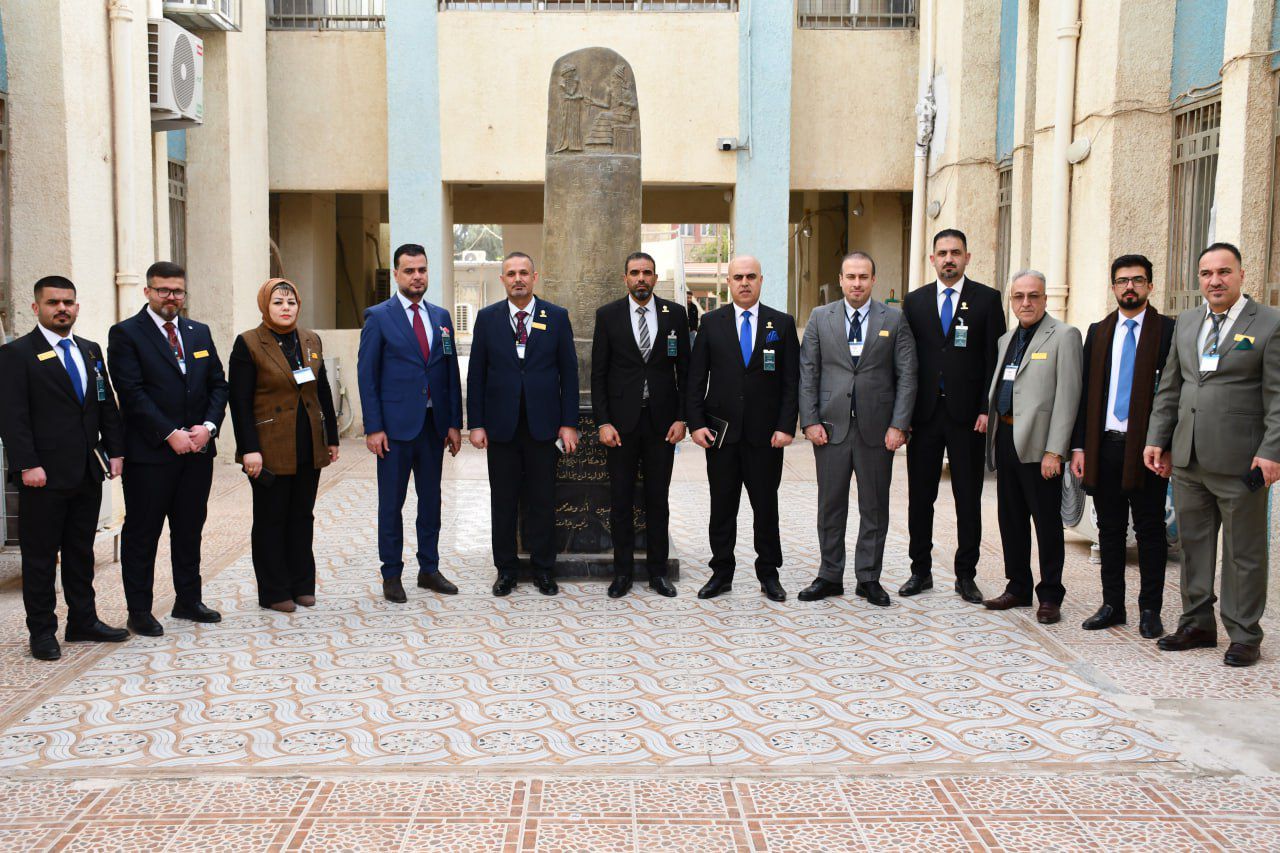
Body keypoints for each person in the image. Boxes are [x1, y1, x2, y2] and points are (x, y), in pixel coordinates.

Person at [1144, 242, 1280, 667]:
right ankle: (1197, 623)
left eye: (1224, 272)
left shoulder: (1270, 323)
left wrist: (1272, 451)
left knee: (1243, 552)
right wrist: (1158, 438)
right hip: (1189, 457)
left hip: (1242, 461)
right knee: (1194, 546)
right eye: (1206, 273)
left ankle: (1244, 633)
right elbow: (1171, 386)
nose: (1215, 281)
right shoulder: (1187, 322)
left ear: (1241, 275)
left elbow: (1278, 395)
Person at [0, 277, 127, 660]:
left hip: (87, 471)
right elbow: (12, 415)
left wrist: (115, 450)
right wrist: (27, 463)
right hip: (42, 476)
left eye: (68, 302)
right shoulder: (16, 354)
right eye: (53, 302)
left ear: (76, 307)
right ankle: (42, 632)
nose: (62, 309)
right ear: (36, 307)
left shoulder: (89, 350)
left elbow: (104, 402)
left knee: (80, 552)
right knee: (40, 558)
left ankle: (82, 621)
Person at [107, 261, 228, 636]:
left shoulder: (198, 332)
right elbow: (131, 392)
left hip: (197, 453)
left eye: (177, 291)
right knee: (143, 535)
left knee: (189, 530)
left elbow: (218, 385)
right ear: (147, 292)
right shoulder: (126, 334)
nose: (171, 297)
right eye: (163, 290)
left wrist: (208, 428)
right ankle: (139, 611)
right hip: (150, 456)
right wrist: (168, 433)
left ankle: (188, 600)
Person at [798, 252, 917, 605]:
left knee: (874, 507)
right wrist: (810, 421)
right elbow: (808, 372)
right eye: (850, 276)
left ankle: (868, 578)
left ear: (873, 280)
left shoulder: (894, 319)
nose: (857, 283)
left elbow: (907, 375)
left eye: (863, 276)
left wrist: (899, 425)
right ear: (840, 279)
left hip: (877, 431)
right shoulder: (820, 317)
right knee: (830, 506)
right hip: (830, 428)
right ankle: (829, 575)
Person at [1069, 254, 1173, 639]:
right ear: (1113, 286)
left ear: (1150, 285)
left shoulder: (1168, 331)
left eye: (1138, 280)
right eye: (1123, 280)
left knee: (1150, 531)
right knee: (1109, 530)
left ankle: (1150, 609)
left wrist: (1167, 445)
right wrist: (1079, 447)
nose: (1130, 287)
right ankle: (1112, 604)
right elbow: (1085, 395)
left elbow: (1175, 395)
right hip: (1105, 446)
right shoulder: (1099, 332)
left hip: (1148, 450)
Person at [467, 252, 580, 597]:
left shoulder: (556, 316)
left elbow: (569, 374)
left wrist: (568, 423)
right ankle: (506, 571)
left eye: (524, 273)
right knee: (503, 502)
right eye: (511, 273)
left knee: (542, 501)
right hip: (501, 428)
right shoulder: (487, 318)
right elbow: (476, 375)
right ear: (502, 279)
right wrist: (476, 423)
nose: (518, 279)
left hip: (543, 427)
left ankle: (544, 570)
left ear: (534, 277)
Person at [687, 255, 798, 602]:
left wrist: (786, 426)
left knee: (766, 508)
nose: (745, 282)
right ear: (729, 282)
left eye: (751, 276)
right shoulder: (711, 322)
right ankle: (721, 572)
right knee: (722, 506)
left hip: (766, 437)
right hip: (721, 436)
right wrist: (696, 424)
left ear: (761, 280)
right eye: (738, 277)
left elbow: (791, 382)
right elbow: (695, 378)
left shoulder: (781, 324)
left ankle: (769, 573)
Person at [902, 229, 1004, 603]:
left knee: (967, 498)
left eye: (955, 253)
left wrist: (986, 409)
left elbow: (995, 360)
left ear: (967, 257)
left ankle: (965, 575)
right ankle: (920, 571)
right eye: (942, 253)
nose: (949, 259)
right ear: (932, 259)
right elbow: (905, 361)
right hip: (924, 416)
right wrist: (903, 414)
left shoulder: (987, 300)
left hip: (968, 417)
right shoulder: (915, 302)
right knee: (920, 497)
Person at [357, 244, 463, 603]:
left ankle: (429, 569)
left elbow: (449, 371)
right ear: (396, 274)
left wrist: (453, 423)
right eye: (409, 271)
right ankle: (391, 574)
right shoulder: (378, 317)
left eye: (422, 270)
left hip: (433, 427)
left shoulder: (441, 316)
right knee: (392, 504)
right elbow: (367, 376)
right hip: (394, 430)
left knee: (431, 501)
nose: (417, 276)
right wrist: (374, 427)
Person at [229, 279, 340, 612]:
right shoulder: (249, 343)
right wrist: (248, 448)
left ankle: (302, 584)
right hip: (269, 446)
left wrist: (331, 437)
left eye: (291, 302)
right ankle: (274, 591)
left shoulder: (310, 339)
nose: (286, 308)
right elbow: (239, 400)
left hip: (308, 442)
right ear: (265, 306)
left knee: (302, 517)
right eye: (278, 302)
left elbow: (322, 390)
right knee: (271, 519)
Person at [983, 270, 1082, 625]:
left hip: (1041, 447)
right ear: (1012, 300)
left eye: (1033, 296)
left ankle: (1050, 594)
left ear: (1044, 298)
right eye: (1019, 296)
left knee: (1046, 523)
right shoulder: (1006, 339)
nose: (1026, 302)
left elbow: (1069, 397)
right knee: (1010, 519)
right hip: (1006, 437)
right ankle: (1018, 586)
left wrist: (1055, 451)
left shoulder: (1065, 336)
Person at [590, 252, 689, 598]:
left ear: (655, 278)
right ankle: (623, 574)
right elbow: (598, 374)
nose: (641, 278)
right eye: (635, 272)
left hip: (662, 424)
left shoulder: (675, 314)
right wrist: (603, 421)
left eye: (647, 272)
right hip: (621, 425)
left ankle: (658, 573)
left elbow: (686, 372)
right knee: (621, 501)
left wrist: (682, 418)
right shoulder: (608, 316)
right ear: (625, 278)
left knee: (657, 500)